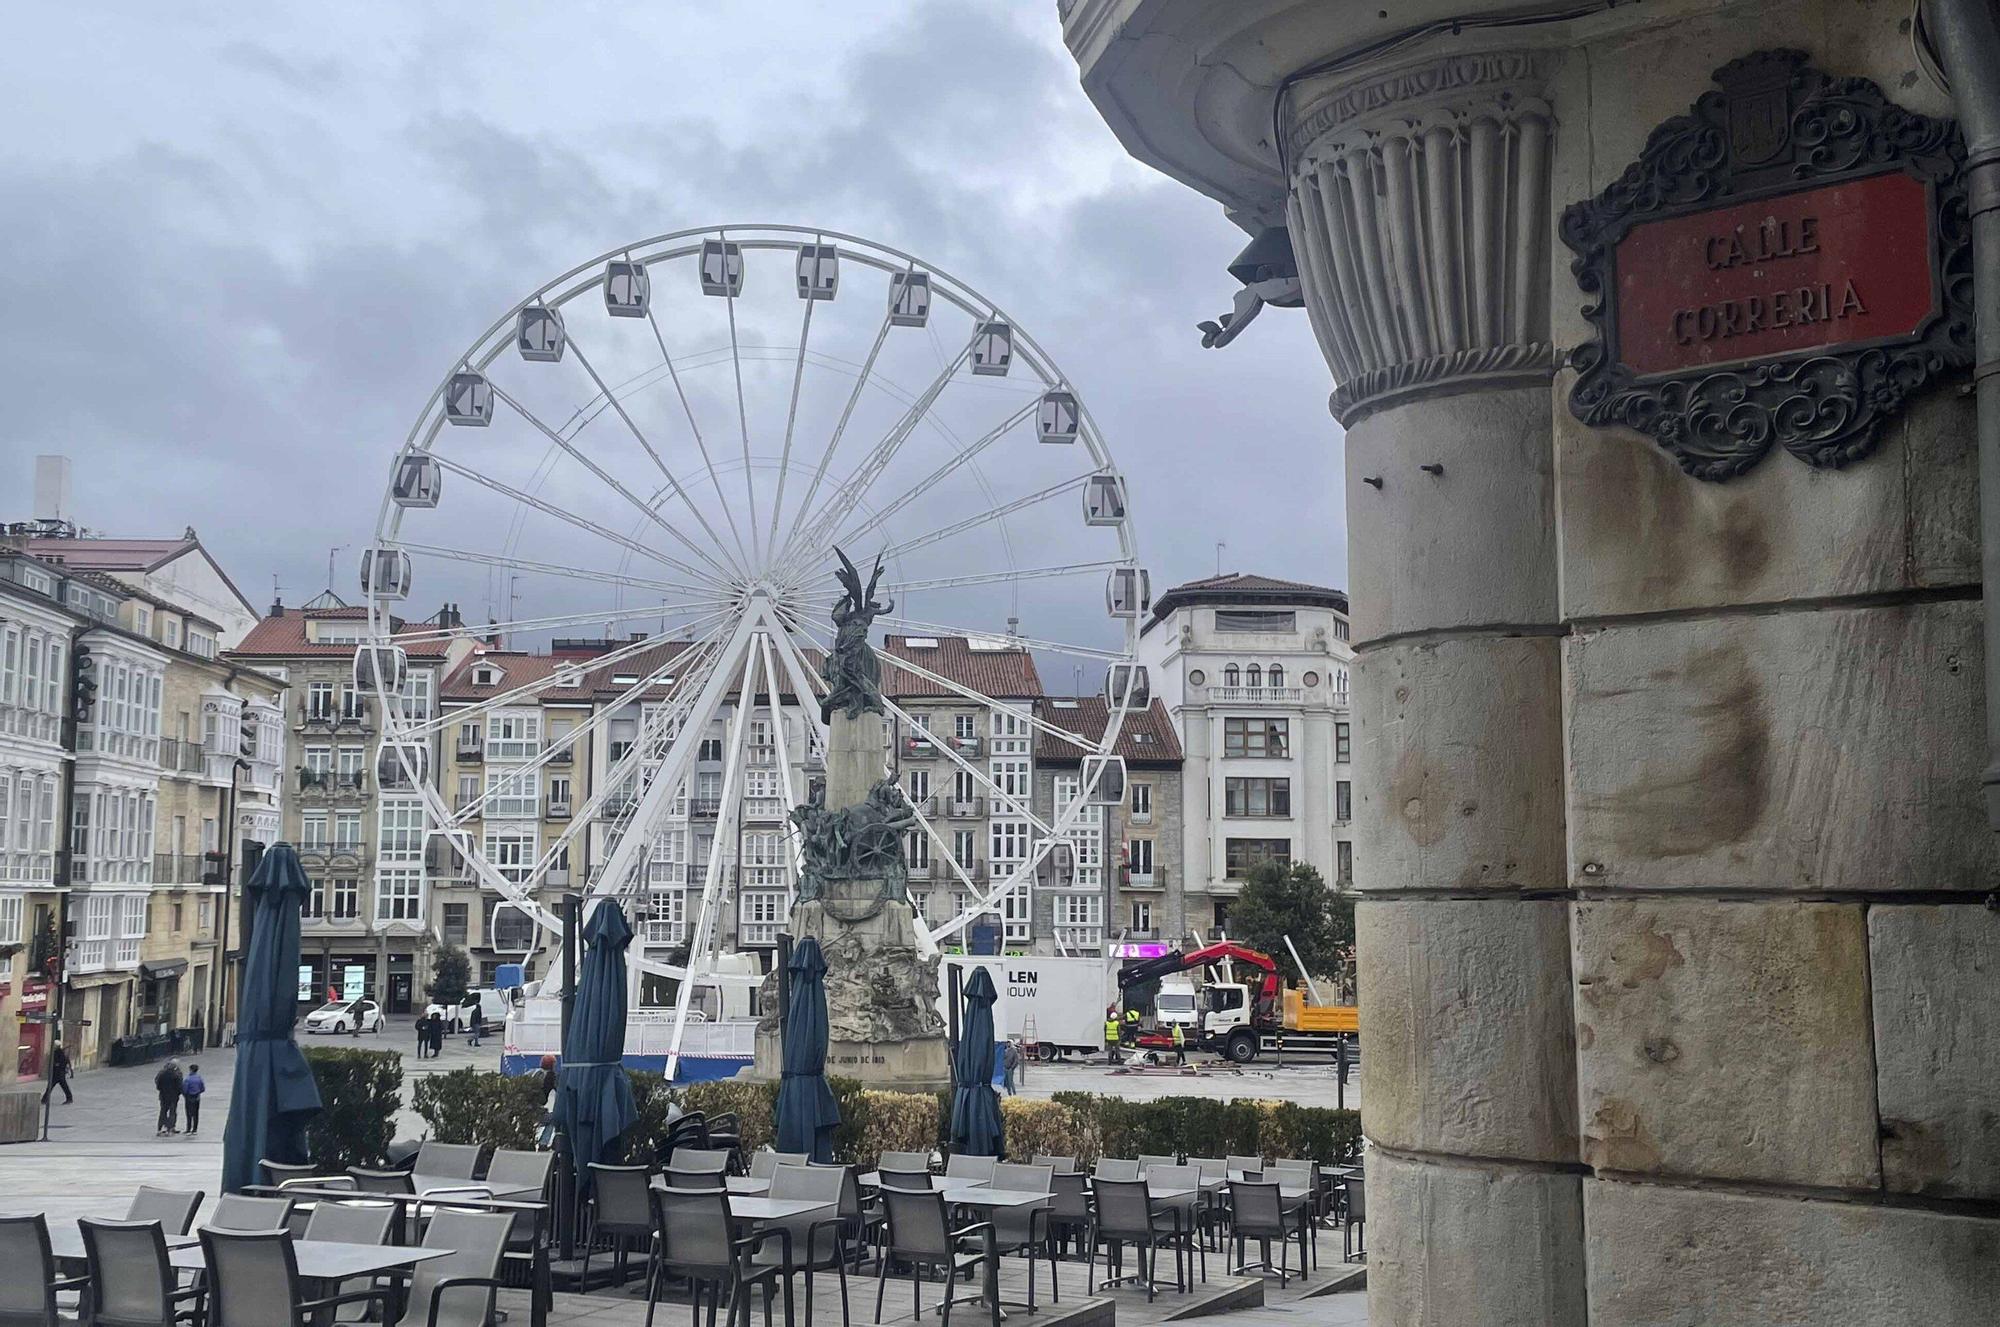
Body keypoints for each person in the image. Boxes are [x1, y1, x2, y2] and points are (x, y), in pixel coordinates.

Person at [154, 1059, 184, 1136]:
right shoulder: (176, 1075)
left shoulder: (162, 1073)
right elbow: (179, 1086)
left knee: (163, 1111)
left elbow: (158, 1084)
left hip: (163, 1095)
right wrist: (179, 1093)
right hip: (173, 1096)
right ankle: (170, 1128)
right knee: (172, 1112)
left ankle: (160, 1128)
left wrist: (161, 1090)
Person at [181, 1063, 206, 1134]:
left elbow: (184, 1089)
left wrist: (185, 1095)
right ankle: (195, 1129)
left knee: (188, 1113)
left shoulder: (187, 1079)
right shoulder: (199, 1078)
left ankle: (188, 1128)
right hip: (197, 1097)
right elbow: (203, 1088)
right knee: (196, 1113)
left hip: (189, 1097)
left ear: (190, 1070)